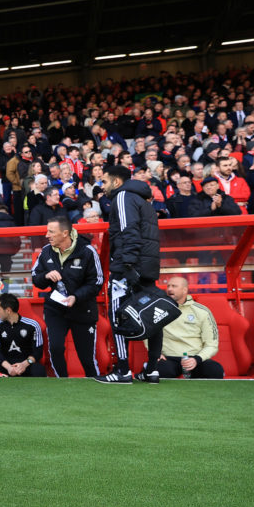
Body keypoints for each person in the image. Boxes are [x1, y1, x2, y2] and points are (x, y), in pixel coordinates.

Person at [95, 164, 163, 383]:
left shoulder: (123, 197)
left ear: (116, 182)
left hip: (129, 268)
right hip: (147, 267)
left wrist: (127, 267)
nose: (102, 186)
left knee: (118, 315)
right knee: (152, 316)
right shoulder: (143, 200)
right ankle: (151, 370)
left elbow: (129, 233)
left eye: (104, 181)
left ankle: (123, 370)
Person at [31, 215, 103, 377]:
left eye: (51, 232)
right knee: (55, 348)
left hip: (83, 310)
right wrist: (46, 276)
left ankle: (96, 385)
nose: (46, 235)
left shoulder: (87, 251)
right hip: (55, 309)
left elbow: (96, 282)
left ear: (65, 233)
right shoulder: (45, 251)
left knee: (86, 357)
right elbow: (36, 278)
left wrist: (75, 297)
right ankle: (62, 382)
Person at [150, 277, 224, 379]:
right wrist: (156, 353)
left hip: (195, 358)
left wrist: (197, 359)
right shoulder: (158, 309)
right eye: (168, 286)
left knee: (214, 370)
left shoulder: (202, 311)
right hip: (168, 359)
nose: (169, 289)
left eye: (174, 286)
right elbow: (148, 332)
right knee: (159, 370)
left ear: (185, 290)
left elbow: (212, 344)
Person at [0, 294, 46, 377]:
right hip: (4, 365)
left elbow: (38, 352)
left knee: (40, 371)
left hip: (26, 364)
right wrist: (9, 368)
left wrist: (24, 364)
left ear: (8, 310)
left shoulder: (33, 325)